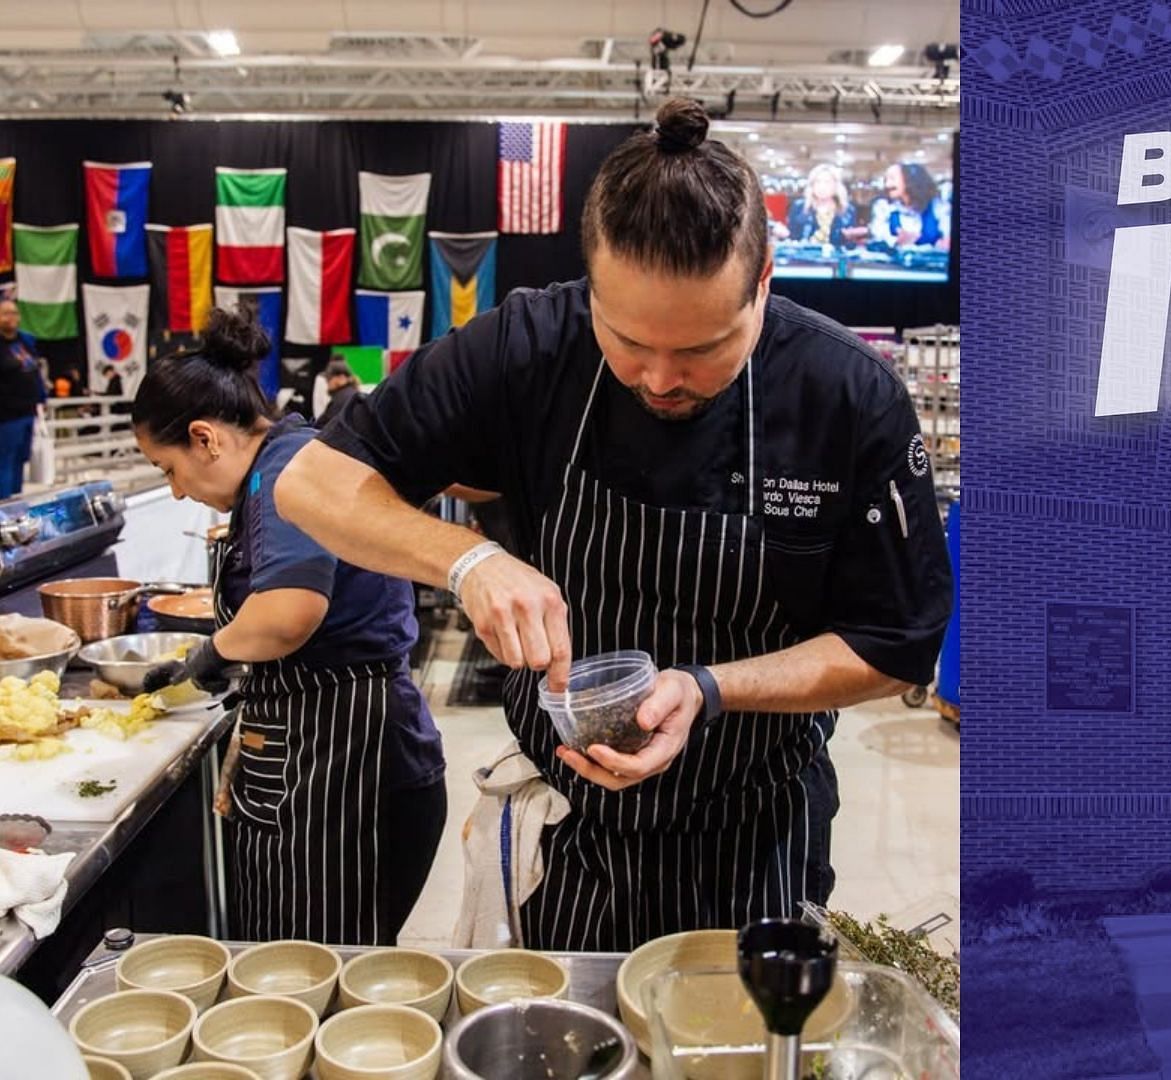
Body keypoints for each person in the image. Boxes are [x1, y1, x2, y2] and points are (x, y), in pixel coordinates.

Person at [276, 97, 953, 951]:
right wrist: (467, 559)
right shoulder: (530, 347)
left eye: (705, 347)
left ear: (766, 278)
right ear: (590, 281)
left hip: (755, 836)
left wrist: (707, 690)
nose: (661, 378)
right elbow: (310, 483)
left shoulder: (846, 396)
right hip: (568, 834)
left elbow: (893, 648)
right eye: (627, 340)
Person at [134, 308, 447, 946]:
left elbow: (288, 612)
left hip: (353, 768)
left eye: (168, 469)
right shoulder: (274, 472)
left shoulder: (288, 472)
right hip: (321, 759)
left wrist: (206, 659)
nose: (174, 491)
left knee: (321, 975)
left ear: (205, 438)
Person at [0, 300, 47, 497]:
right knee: (5, 462)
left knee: (21, 460)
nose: (11, 318)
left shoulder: (25, 342)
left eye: (14, 313)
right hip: (6, 415)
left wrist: (42, 398)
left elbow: (35, 372)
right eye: (6, 313)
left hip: (28, 411)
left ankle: (16, 504)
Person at [771, 164, 859, 248]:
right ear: (812, 186)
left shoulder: (848, 210)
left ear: (836, 186)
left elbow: (851, 246)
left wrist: (850, 238)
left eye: (827, 182)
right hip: (803, 259)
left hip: (836, 261)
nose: (822, 187)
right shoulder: (799, 207)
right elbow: (791, 239)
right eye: (818, 182)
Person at [869, 162, 949, 251]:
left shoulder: (938, 207)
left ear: (910, 180)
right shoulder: (884, 207)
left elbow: (947, 241)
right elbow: (878, 236)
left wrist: (919, 239)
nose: (887, 185)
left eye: (892, 178)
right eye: (885, 180)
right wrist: (896, 241)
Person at [317, 359, 361, 428]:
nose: (327, 382)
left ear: (341, 378)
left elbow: (328, 427)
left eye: (329, 378)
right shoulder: (352, 394)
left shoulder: (341, 399)